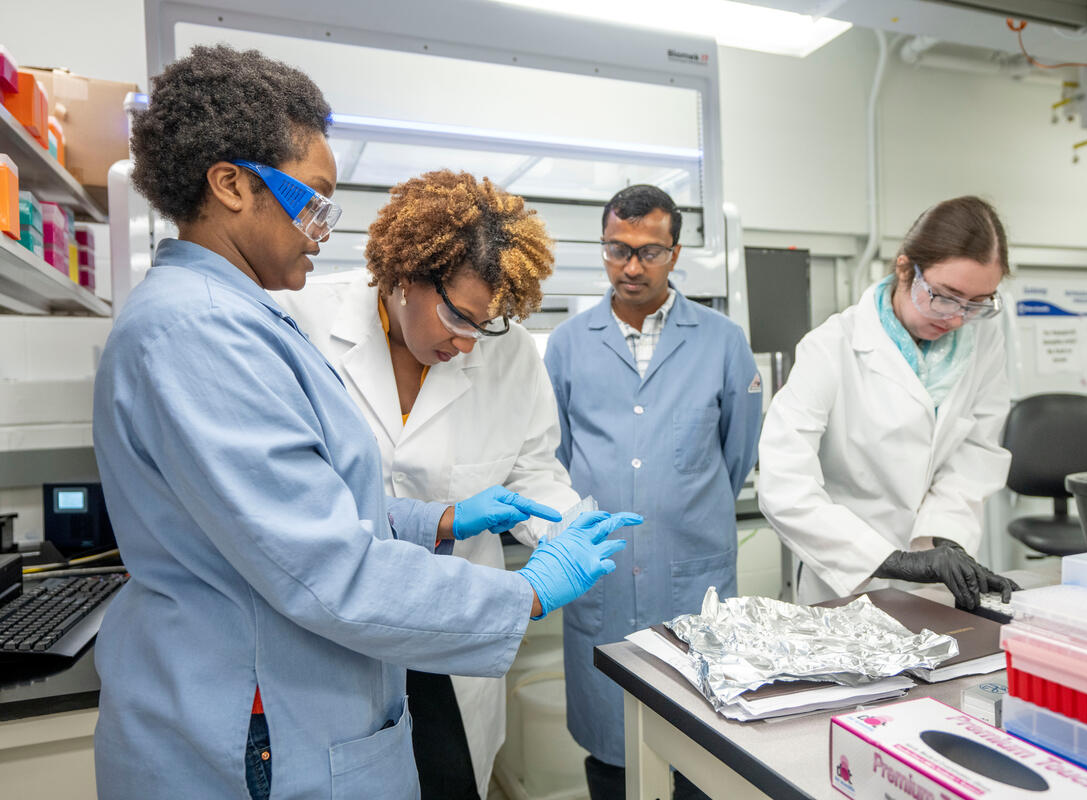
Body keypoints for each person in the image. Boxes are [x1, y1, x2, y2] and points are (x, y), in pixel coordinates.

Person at [91, 45, 639, 799]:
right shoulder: (203, 332)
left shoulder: (233, 317)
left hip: (338, 670)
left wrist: (435, 521)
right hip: (259, 715)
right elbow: (327, 570)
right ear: (231, 184)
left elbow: (303, 510)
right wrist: (527, 593)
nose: (322, 226)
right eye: (312, 199)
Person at [274, 169, 580, 799]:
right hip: (334, 630)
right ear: (404, 274)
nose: (468, 343)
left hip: (456, 625)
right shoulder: (298, 320)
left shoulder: (507, 349)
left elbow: (533, 471)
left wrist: (567, 532)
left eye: (486, 325)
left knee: (452, 780)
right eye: (457, 317)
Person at [544, 185, 763, 799]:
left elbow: (737, 454)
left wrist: (678, 501)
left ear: (675, 251)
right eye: (618, 250)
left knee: (701, 748)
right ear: (603, 248)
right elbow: (552, 457)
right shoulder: (566, 344)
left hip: (692, 576)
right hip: (603, 578)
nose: (632, 266)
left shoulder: (722, 341)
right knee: (613, 756)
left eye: (649, 251)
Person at [758, 195, 1020, 608]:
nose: (956, 318)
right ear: (904, 268)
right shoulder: (832, 346)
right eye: (945, 296)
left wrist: (945, 542)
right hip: (846, 580)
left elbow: (977, 450)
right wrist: (896, 561)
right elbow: (784, 485)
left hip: (939, 583)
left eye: (975, 304)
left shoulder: (983, 340)